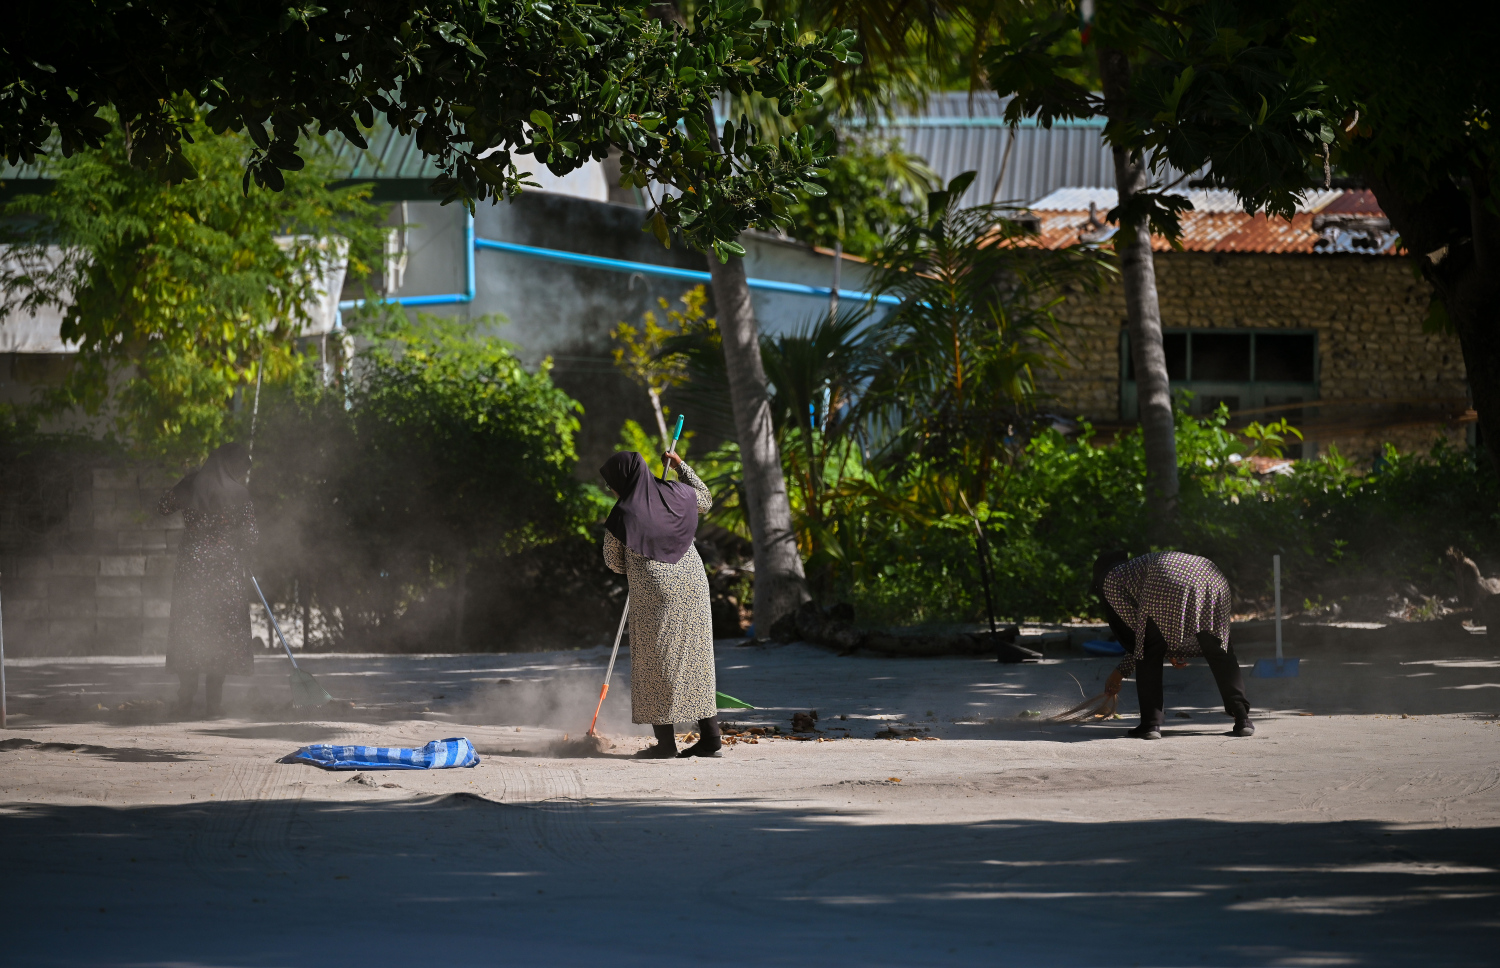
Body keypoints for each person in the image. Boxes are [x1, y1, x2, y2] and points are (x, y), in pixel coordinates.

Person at [600, 449, 719, 758]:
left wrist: (638, 561)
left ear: (622, 481)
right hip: (694, 583)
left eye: (609, 484)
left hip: (656, 592)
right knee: (696, 659)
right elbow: (705, 499)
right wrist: (681, 467)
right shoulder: (677, 492)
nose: (610, 490)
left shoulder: (623, 513)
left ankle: (665, 745)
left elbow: (612, 561)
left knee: (653, 661)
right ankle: (711, 737)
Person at [1093, 550, 1254, 740]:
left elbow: (1141, 636)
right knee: (1219, 649)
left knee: (1148, 650)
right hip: (1212, 577)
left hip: (1168, 581)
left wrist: (1119, 673)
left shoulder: (1110, 579)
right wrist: (1169, 645)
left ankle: (1150, 724)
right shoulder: (1137, 568)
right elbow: (1160, 628)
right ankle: (1242, 718)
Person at [157, 443, 258, 718]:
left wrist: (186, 483)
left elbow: (163, 506)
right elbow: (251, 537)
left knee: (189, 631)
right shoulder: (240, 493)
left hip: (192, 568)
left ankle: (185, 701)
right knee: (220, 634)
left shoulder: (191, 485)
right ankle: (214, 704)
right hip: (226, 571)